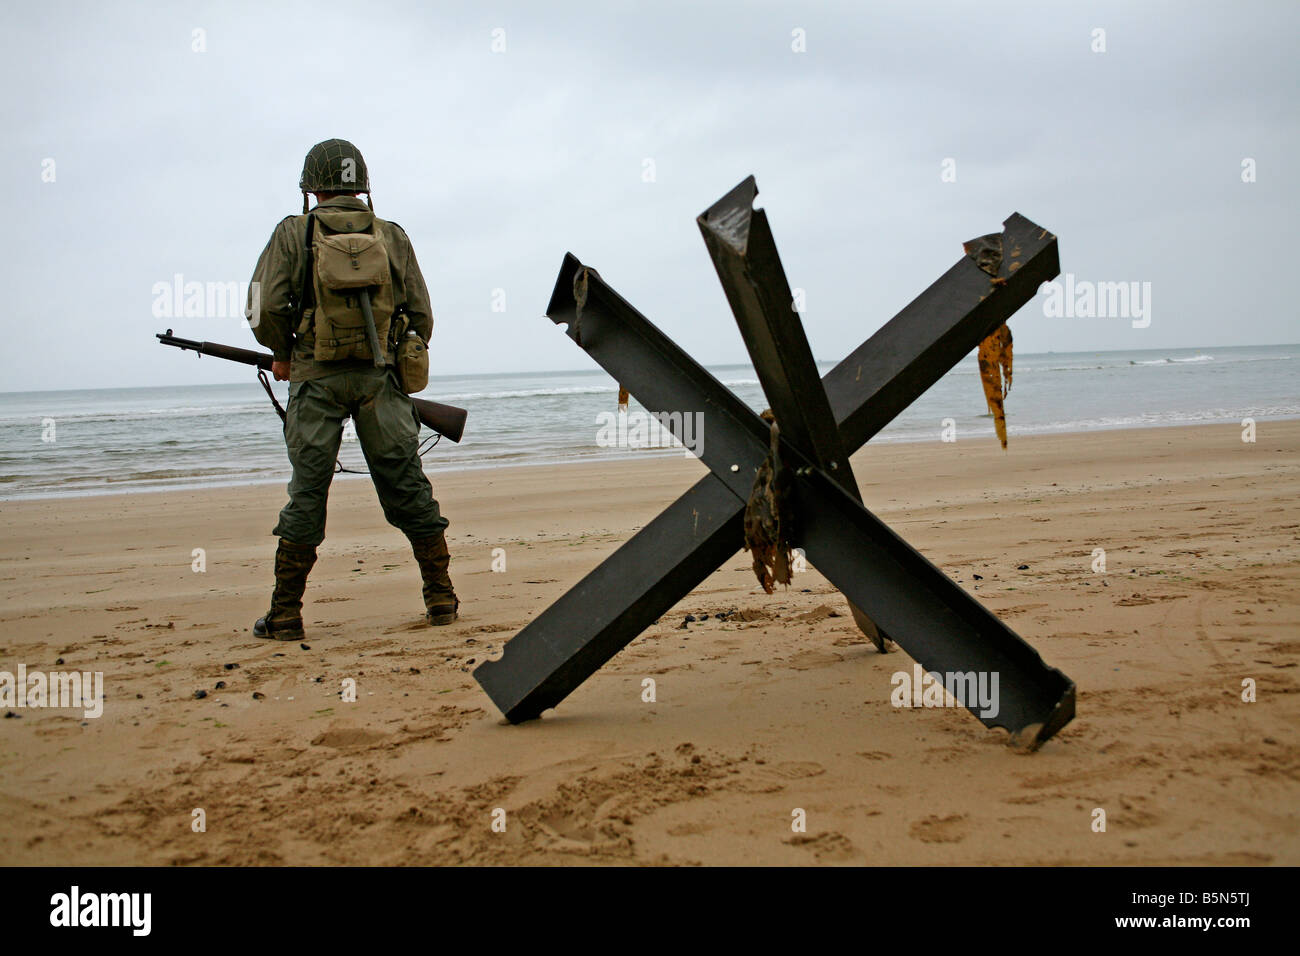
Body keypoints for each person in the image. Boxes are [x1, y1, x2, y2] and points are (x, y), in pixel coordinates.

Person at [244, 138, 457, 640]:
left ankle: (285, 615)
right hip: (380, 380)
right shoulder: (391, 235)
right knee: (407, 486)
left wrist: (282, 352)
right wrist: (391, 348)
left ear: (311, 185)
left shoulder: (293, 234)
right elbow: (422, 315)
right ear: (361, 183)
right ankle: (442, 599)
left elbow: (264, 307)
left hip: (315, 379)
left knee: (308, 493)